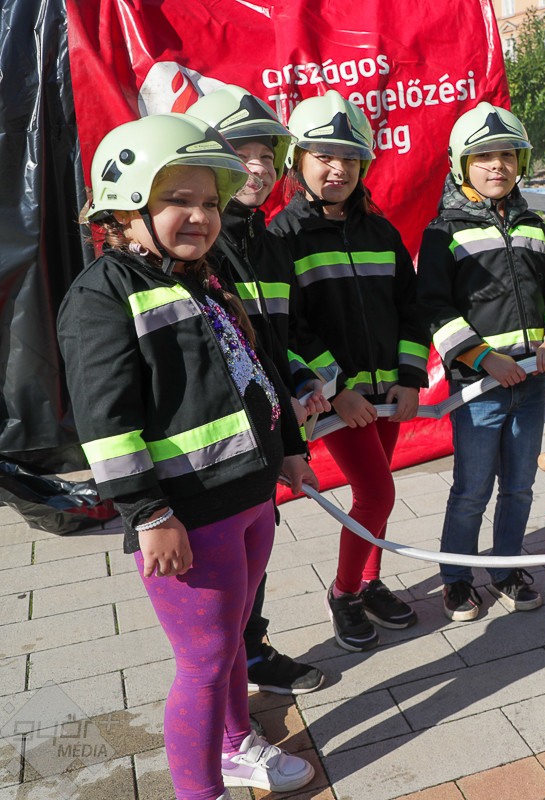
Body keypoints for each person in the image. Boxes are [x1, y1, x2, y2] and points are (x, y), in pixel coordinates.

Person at [58, 113, 317, 800]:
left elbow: (257, 368)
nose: (200, 216)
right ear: (125, 206)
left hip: (250, 497)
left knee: (231, 643)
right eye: (178, 200)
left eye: (208, 201)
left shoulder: (204, 277)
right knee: (203, 665)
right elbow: (107, 426)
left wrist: (288, 450)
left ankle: (235, 746)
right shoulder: (102, 295)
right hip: (188, 516)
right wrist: (149, 514)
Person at [269, 90, 430, 651]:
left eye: (351, 157)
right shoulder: (282, 237)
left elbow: (411, 309)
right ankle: (343, 593)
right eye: (324, 156)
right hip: (340, 403)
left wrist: (409, 377)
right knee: (377, 494)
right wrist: (336, 392)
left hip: (385, 395)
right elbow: (290, 328)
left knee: (376, 494)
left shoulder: (381, 232)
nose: (338, 168)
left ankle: (369, 581)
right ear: (297, 160)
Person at [189, 84, 329, 695]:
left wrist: (300, 377)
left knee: (255, 553)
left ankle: (248, 651)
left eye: (267, 157)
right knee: (228, 567)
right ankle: (228, 667)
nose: (258, 168)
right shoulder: (198, 248)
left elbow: (272, 339)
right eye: (240, 155)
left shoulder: (267, 244)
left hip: (266, 432)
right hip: (220, 448)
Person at [417, 103, 545, 621]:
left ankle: (505, 570)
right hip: (479, 388)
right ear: (461, 165)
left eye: (506, 155)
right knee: (472, 490)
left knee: (520, 487)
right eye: (483, 157)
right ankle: (456, 580)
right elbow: (433, 308)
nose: (497, 165)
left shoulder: (535, 227)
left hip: (532, 382)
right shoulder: (443, 232)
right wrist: (484, 358)